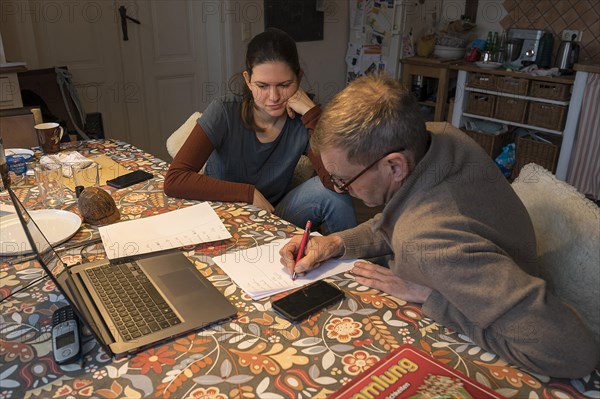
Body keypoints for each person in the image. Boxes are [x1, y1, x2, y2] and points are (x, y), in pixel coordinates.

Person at [280, 73, 599, 378]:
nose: (338, 188)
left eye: (344, 180)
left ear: (394, 166)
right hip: (494, 273)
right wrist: (333, 243)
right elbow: (395, 217)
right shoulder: (435, 137)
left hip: (488, 309)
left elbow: (575, 352)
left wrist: (432, 297)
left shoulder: (429, 245)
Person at [164, 28, 356, 234]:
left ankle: (353, 263)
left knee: (336, 197)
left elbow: (336, 183)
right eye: (262, 86)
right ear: (248, 80)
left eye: (284, 85)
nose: (273, 97)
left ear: (299, 79)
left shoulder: (304, 121)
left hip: (273, 217)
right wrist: (247, 193)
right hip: (220, 218)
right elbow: (175, 179)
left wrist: (312, 113)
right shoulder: (224, 112)